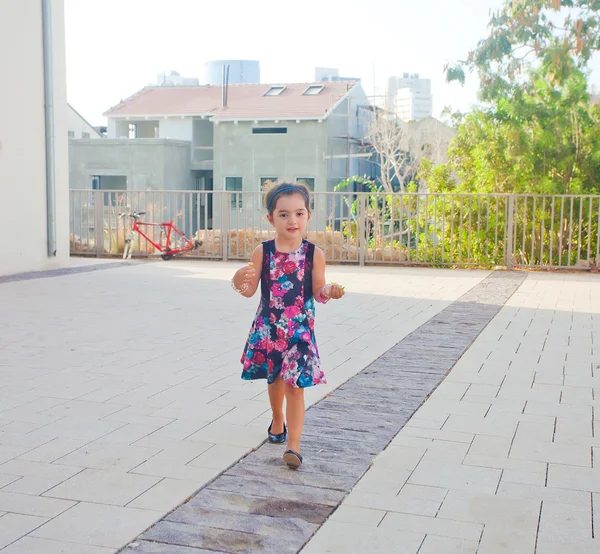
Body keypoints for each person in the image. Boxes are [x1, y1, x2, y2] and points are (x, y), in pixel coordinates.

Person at [231, 181, 344, 469]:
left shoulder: (313, 254)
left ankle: (293, 444)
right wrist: (236, 280)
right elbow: (248, 291)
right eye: (283, 214)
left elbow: (318, 291)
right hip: (269, 329)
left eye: (299, 213)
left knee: (295, 386)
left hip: (300, 331)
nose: (292, 220)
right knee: (275, 379)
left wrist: (329, 291)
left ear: (308, 216)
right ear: (271, 218)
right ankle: (277, 420)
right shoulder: (263, 252)